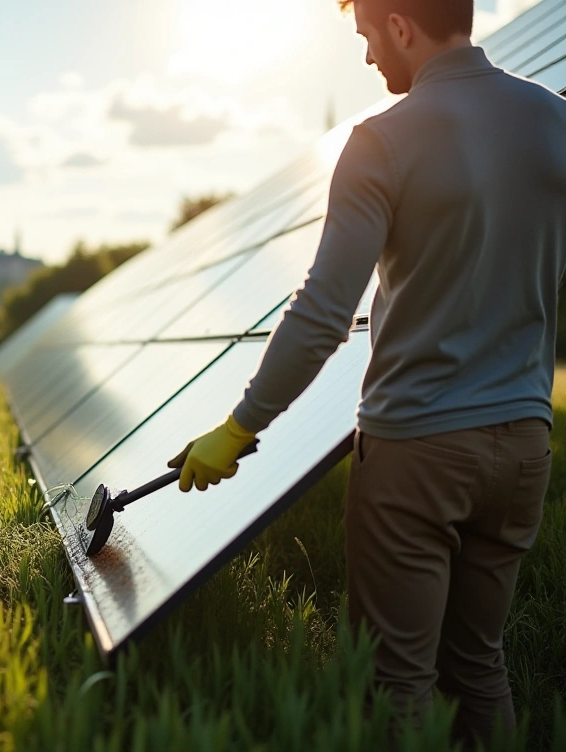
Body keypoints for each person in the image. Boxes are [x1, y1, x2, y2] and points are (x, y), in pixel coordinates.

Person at [167, 0, 566, 744]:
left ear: (402, 26)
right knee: (481, 664)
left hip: (416, 449)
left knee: (397, 679)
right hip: (523, 447)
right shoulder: (556, 120)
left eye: (367, 37)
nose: (367, 58)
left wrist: (239, 426)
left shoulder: (382, 141)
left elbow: (323, 314)